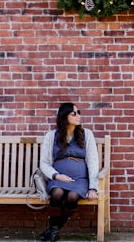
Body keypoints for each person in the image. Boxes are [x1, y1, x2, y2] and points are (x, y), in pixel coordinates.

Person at [38, 102, 99, 242]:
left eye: (79, 113)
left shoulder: (87, 134)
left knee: (72, 197)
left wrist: (93, 187)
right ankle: (54, 232)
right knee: (57, 193)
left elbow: (93, 161)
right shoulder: (51, 136)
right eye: (74, 113)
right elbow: (45, 163)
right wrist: (57, 175)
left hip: (80, 179)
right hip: (58, 177)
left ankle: (53, 230)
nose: (78, 116)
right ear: (65, 116)